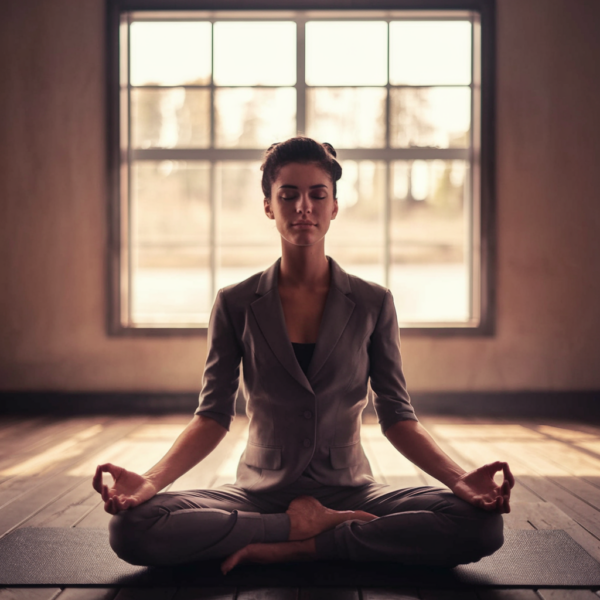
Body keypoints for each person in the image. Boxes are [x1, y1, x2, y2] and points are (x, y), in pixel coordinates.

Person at [93, 137, 514, 574]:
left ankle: (302, 545)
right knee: (132, 527)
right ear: (268, 206)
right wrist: (152, 480)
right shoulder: (235, 303)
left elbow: (397, 416)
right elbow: (212, 416)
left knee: (481, 526)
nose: (303, 207)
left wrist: (459, 480)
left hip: (350, 491)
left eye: (317, 194)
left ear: (334, 206)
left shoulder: (373, 302)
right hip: (259, 493)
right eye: (288, 194)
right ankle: (294, 528)